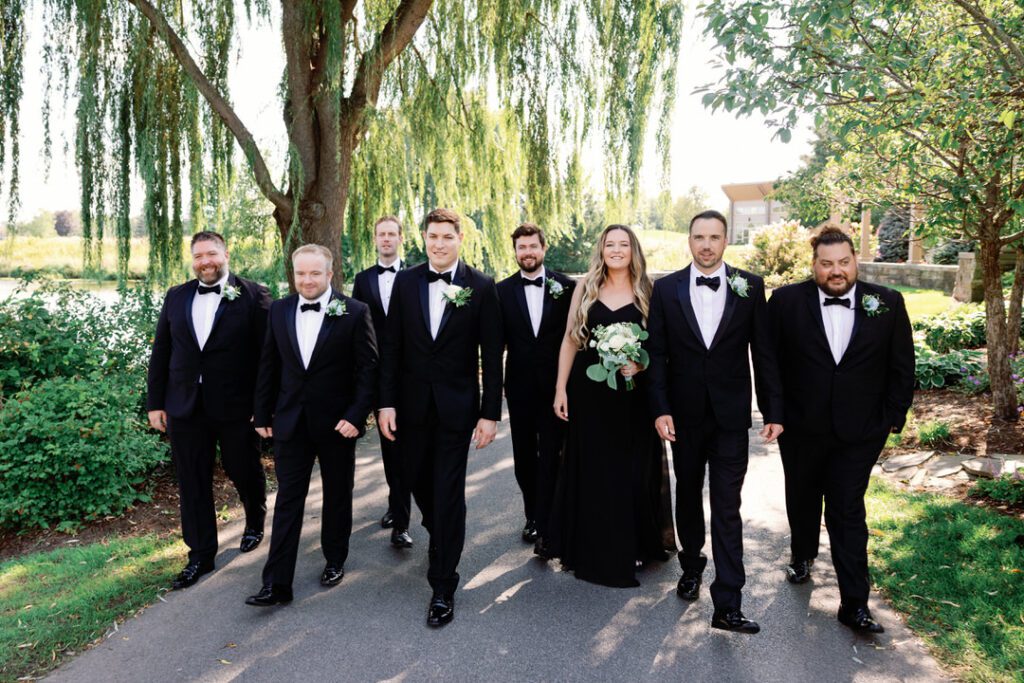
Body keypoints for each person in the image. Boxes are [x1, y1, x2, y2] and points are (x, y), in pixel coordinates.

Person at [768, 226, 914, 634]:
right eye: (827, 263)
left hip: (861, 431)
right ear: (814, 264)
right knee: (802, 495)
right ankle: (801, 555)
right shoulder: (785, 302)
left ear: (856, 261)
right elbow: (770, 363)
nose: (836, 271)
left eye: (844, 262)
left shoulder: (887, 302)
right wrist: (775, 413)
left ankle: (854, 604)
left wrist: (889, 420)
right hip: (800, 427)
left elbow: (903, 366)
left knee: (847, 511)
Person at [647, 210, 782, 634]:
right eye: (699, 237)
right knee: (687, 496)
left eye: (715, 237)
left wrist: (773, 411)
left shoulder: (750, 286)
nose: (706, 245)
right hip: (682, 418)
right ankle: (691, 565)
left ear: (727, 241)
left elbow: (763, 353)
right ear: (689, 240)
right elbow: (656, 355)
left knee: (727, 507)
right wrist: (660, 408)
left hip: (729, 419)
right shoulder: (666, 289)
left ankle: (728, 603)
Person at [377, 208, 503, 627]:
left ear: (459, 238)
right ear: (424, 238)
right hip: (409, 408)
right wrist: (386, 403)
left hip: (456, 409)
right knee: (412, 481)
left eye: (447, 237)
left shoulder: (481, 287)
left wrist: (490, 414)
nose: (439, 243)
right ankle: (442, 530)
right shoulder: (407, 282)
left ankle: (443, 584)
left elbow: (492, 355)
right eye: (433, 236)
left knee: (448, 492)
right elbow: (391, 346)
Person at [245, 245, 378, 607]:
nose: (307, 280)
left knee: (337, 495)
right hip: (290, 421)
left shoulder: (354, 312)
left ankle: (334, 559)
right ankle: (276, 584)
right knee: (288, 499)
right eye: (301, 274)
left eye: (314, 273)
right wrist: (261, 413)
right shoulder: (281, 310)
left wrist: (355, 416)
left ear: (329, 274)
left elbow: (368, 371)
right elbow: (268, 365)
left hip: (337, 425)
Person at [549, 224, 672, 588]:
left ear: (633, 250)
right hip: (591, 395)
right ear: (601, 250)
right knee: (597, 471)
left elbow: (661, 346)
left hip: (634, 398)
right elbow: (571, 340)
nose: (616, 250)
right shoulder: (585, 287)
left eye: (623, 244)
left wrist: (642, 363)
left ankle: (634, 543)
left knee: (634, 470)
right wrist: (560, 389)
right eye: (609, 244)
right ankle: (595, 547)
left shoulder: (649, 290)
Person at [146, 231, 270, 590]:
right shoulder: (177, 296)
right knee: (192, 480)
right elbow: (162, 354)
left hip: (236, 406)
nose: (206, 262)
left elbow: (267, 358)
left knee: (242, 468)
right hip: (184, 406)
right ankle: (200, 555)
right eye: (199, 256)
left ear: (225, 253)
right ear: (192, 260)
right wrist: (156, 403)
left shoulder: (254, 295)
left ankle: (255, 520)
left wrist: (262, 407)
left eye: (211, 254)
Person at [496, 223, 575, 549]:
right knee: (525, 456)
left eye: (532, 246)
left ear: (543, 248)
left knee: (554, 454)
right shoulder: (500, 291)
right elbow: (494, 344)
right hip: (520, 388)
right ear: (515, 252)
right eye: (521, 247)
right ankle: (533, 514)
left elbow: (575, 339)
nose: (527, 252)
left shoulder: (567, 288)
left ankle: (549, 521)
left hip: (558, 389)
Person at [351, 215, 413, 550]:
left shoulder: (417, 276)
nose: (386, 239)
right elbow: (361, 328)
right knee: (390, 446)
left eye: (392, 234)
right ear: (375, 240)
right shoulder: (363, 280)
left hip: (411, 375)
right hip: (377, 374)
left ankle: (403, 515)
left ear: (400, 238)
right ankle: (396, 507)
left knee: (407, 447)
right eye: (381, 234)